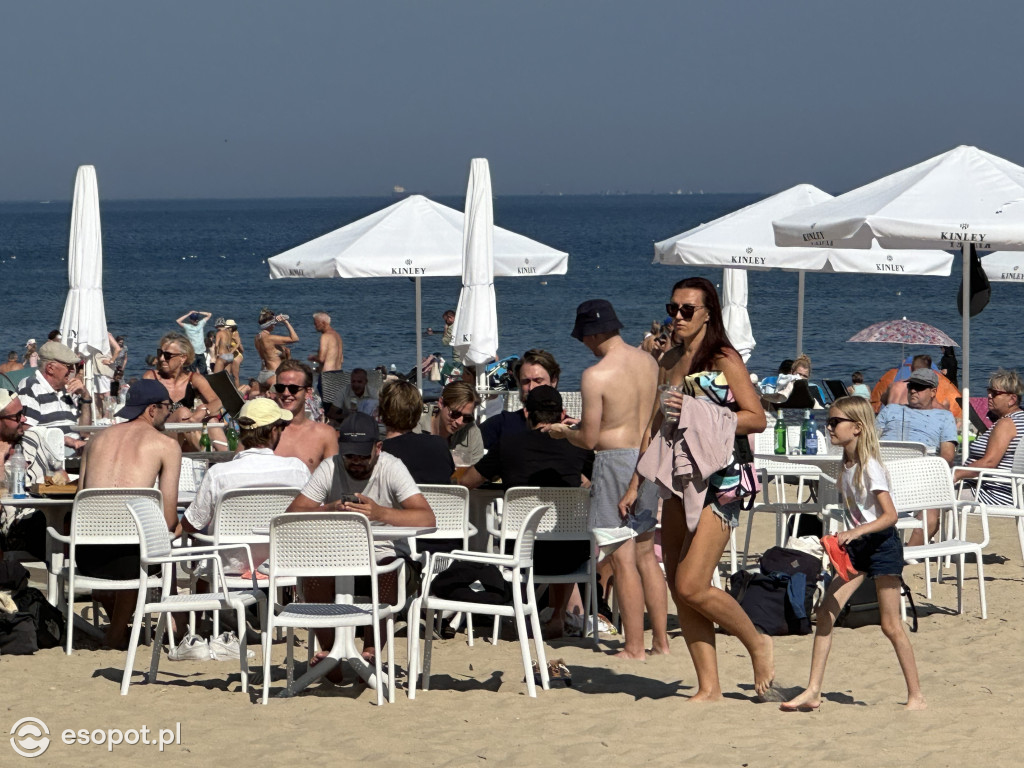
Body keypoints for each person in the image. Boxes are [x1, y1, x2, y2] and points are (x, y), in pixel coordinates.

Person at [620, 278, 772, 697]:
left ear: (709, 313)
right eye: (673, 309)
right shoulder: (668, 360)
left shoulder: (723, 359)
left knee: (692, 582)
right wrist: (636, 482)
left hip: (723, 477)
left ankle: (757, 643)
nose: (679, 317)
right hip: (679, 476)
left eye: (688, 310)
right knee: (678, 588)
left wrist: (699, 412)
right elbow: (656, 423)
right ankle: (709, 687)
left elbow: (755, 418)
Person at [781, 396, 925, 711]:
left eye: (835, 422)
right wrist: (840, 537)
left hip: (882, 545)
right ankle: (814, 690)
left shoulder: (870, 466)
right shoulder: (845, 464)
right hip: (856, 548)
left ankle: (916, 695)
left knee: (890, 625)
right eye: (828, 421)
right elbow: (856, 513)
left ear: (857, 427)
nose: (828, 427)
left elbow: (890, 516)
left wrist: (854, 532)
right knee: (825, 613)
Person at [545, 299, 667, 660]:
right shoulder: (649, 362)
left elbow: (590, 439)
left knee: (621, 555)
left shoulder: (595, 375)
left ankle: (633, 647)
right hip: (648, 458)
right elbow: (656, 417)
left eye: (583, 336)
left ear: (594, 332)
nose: (583, 343)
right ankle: (660, 642)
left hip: (615, 460)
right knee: (646, 554)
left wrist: (562, 432)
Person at [286, 412, 434, 676]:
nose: (355, 462)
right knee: (312, 574)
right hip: (337, 558)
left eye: (362, 456)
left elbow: (427, 517)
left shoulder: (391, 467)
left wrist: (380, 514)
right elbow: (291, 515)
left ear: (378, 448)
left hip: (386, 556)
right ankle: (331, 652)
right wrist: (329, 509)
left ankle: (371, 651)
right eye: (349, 456)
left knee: (390, 570)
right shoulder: (330, 467)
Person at [462, 385, 594, 638]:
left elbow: (467, 481)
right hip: (572, 557)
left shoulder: (509, 445)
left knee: (533, 534)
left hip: (522, 553)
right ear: (562, 413)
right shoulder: (578, 446)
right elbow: (596, 477)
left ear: (526, 414)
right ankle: (557, 616)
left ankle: (518, 611)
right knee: (564, 527)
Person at [76, 380, 182, 648]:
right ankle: (117, 634)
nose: (169, 413)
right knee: (165, 536)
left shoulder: (95, 441)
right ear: (152, 409)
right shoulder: (165, 445)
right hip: (135, 559)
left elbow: (81, 501)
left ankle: (117, 629)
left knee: (125, 542)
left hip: (87, 556)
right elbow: (169, 520)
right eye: (167, 407)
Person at [180, 397, 310, 574]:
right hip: (279, 567)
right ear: (273, 431)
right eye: (281, 427)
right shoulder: (298, 470)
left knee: (203, 543)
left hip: (225, 570)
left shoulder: (219, 474)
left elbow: (191, 525)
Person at [876, 368, 958, 546]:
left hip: (920, 476)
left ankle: (908, 553)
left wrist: (927, 472)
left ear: (933, 392)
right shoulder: (890, 410)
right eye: (912, 386)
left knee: (930, 516)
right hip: (883, 474)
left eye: (920, 387)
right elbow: (869, 441)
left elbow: (947, 455)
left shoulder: (944, 417)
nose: (913, 390)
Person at [142, 332, 225, 452]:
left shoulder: (194, 378)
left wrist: (204, 411)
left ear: (183, 358)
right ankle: (209, 457)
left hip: (187, 434)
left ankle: (226, 458)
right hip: (160, 434)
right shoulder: (151, 377)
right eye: (160, 353)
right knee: (182, 413)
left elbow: (217, 401)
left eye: (167, 355)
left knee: (211, 420)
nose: (161, 359)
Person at [954, 369, 1024, 508]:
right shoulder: (1019, 419)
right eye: (989, 391)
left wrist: (955, 474)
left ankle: (920, 529)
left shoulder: (1007, 423)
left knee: (932, 493)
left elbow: (989, 462)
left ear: (1012, 399)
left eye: (995, 393)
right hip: (1011, 492)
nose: (989, 396)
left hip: (992, 493)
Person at [480, 349, 562, 452]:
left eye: (538, 381)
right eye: (525, 381)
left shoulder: (571, 429)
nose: (531, 387)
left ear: (554, 381)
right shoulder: (501, 425)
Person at [17, 340, 92, 453]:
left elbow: (84, 432)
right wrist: (64, 440)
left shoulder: (65, 390)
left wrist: (85, 396)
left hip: (75, 452)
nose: (73, 370)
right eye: (69, 366)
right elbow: (26, 430)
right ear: (50, 368)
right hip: (53, 455)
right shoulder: (31, 387)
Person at [379, 379, 454, 484]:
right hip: (438, 500)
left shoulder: (380, 453)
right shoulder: (440, 445)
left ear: (381, 412)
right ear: (418, 411)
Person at [270, 360, 338, 472]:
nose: (286, 393)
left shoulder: (325, 434)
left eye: (293, 389)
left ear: (308, 392)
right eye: (281, 388)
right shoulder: (262, 430)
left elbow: (333, 479)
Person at [418, 381, 485, 466]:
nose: (460, 422)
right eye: (455, 414)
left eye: (467, 418)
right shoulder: (415, 427)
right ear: (441, 403)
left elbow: (477, 472)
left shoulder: (472, 432)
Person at [254, 308, 299, 389]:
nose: (275, 325)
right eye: (274, 323)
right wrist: (285, 322)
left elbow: (268, 351)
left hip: (262, 374)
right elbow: (295, 338)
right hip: (273, 374)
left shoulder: (257, 338)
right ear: (271, 324)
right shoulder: (270, 338)